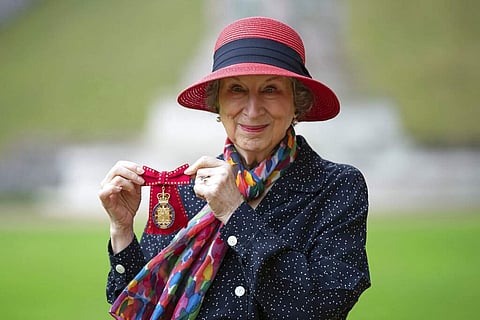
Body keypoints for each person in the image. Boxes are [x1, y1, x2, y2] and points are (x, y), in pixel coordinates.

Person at [99, 16, 370, 319]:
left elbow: (321, 308)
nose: (252, 110)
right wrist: (121, 232)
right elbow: (142, 307)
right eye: (237, 90)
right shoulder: (188, 188)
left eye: (271, 90)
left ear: (298, 101)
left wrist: (234, 212)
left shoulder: (336, 187)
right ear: (218, 103)